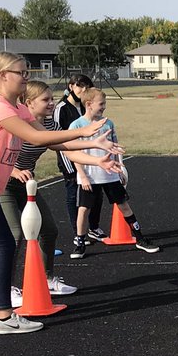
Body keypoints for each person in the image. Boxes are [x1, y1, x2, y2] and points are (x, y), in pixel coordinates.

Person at [0, 52, 116, 334]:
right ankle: (4, 316)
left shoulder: (19, 108)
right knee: (4, 243)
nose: (26, 77)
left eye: (27, 72)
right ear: (3, 76)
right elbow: (36, 138)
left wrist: (95, 152)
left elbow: (53, 143)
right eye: (22, 73)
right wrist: (84, 130)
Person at [68, 88, 161, 257]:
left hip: (109, 173)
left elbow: (116, 147)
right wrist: (81, 174)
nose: (104, 107)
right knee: (84, 209)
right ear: (89, 104)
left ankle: (140, 238)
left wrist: (120, 168)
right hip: (89, 176)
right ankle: (80, 242)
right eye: (101, 103)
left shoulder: (108, 123)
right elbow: (74, 153)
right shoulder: (77, 126)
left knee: (124, 205)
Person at [53, 74, 104, 237]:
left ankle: (93, 228)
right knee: (75, 195)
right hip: (70, 160)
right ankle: (78, 233)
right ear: (71, 87)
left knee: (96, 194)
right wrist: (73, 167)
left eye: (86, 86)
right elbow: (57, 139)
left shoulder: (84, 107)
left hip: (87, 158)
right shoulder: (61, 108)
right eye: (80, 85)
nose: (83, 89)